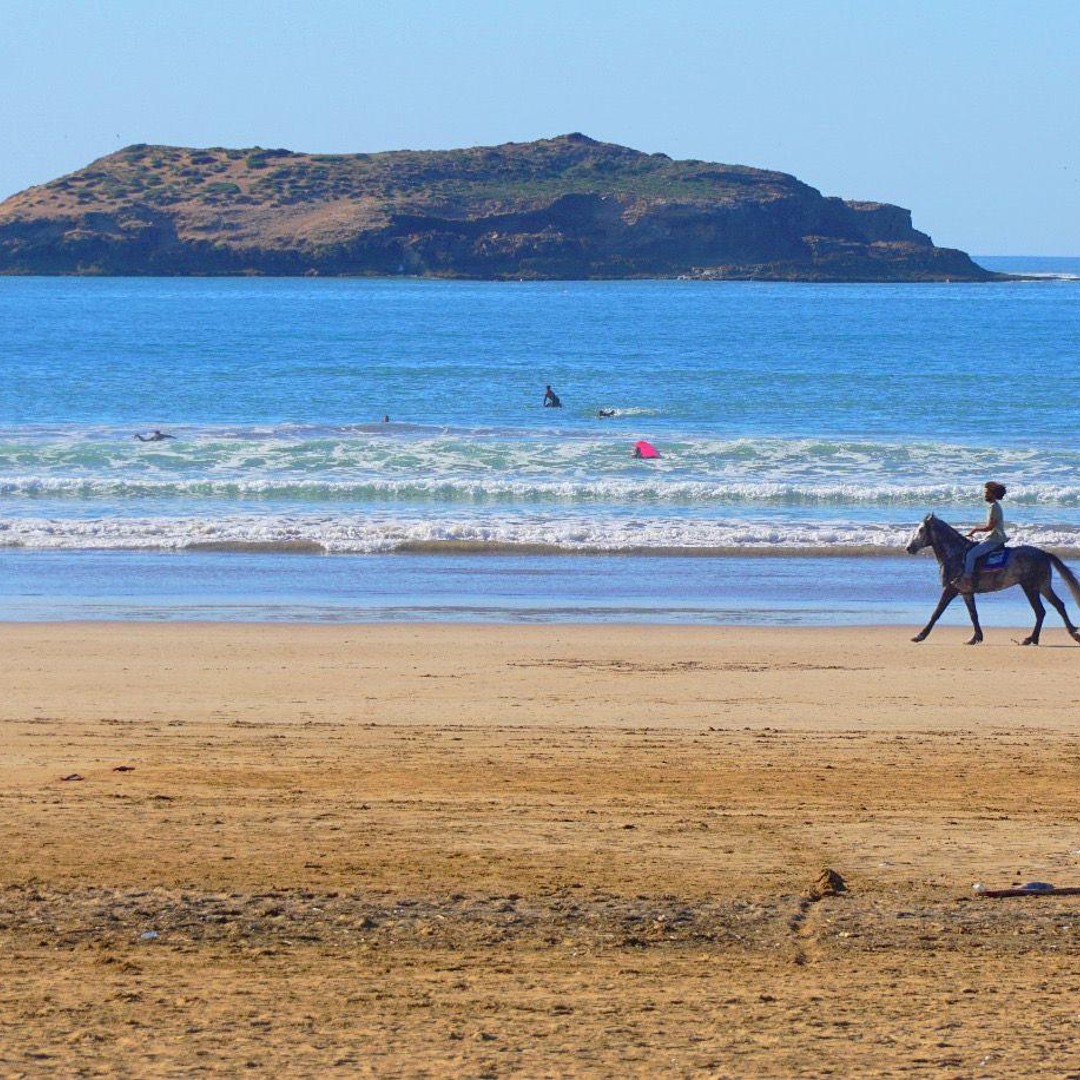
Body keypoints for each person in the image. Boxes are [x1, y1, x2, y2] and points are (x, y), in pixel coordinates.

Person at [957, 481, 1008, 591]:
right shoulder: (993, 506)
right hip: (992, 537)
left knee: (971, 555)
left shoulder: (994, 507)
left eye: (987, 492)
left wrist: (975, 530)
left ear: (993, 494)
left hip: (995, 539)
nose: (985, 495)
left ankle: (967, 580)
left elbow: (990, 527)